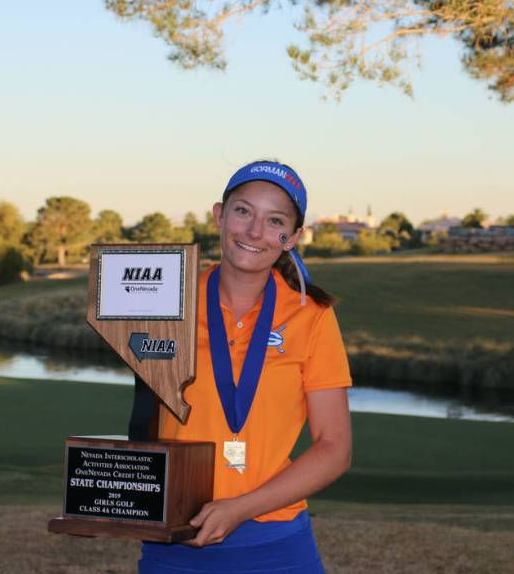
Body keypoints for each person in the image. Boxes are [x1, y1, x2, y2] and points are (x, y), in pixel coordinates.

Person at [139, 160, 353, 573]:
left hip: (277, 544)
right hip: (175, 541)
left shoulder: (312, 317)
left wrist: (239, 508)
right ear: (220, 215)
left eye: (274, 220)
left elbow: (334, 448)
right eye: (243, 211)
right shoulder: (167, 305)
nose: (255, 232)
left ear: (292, 237)